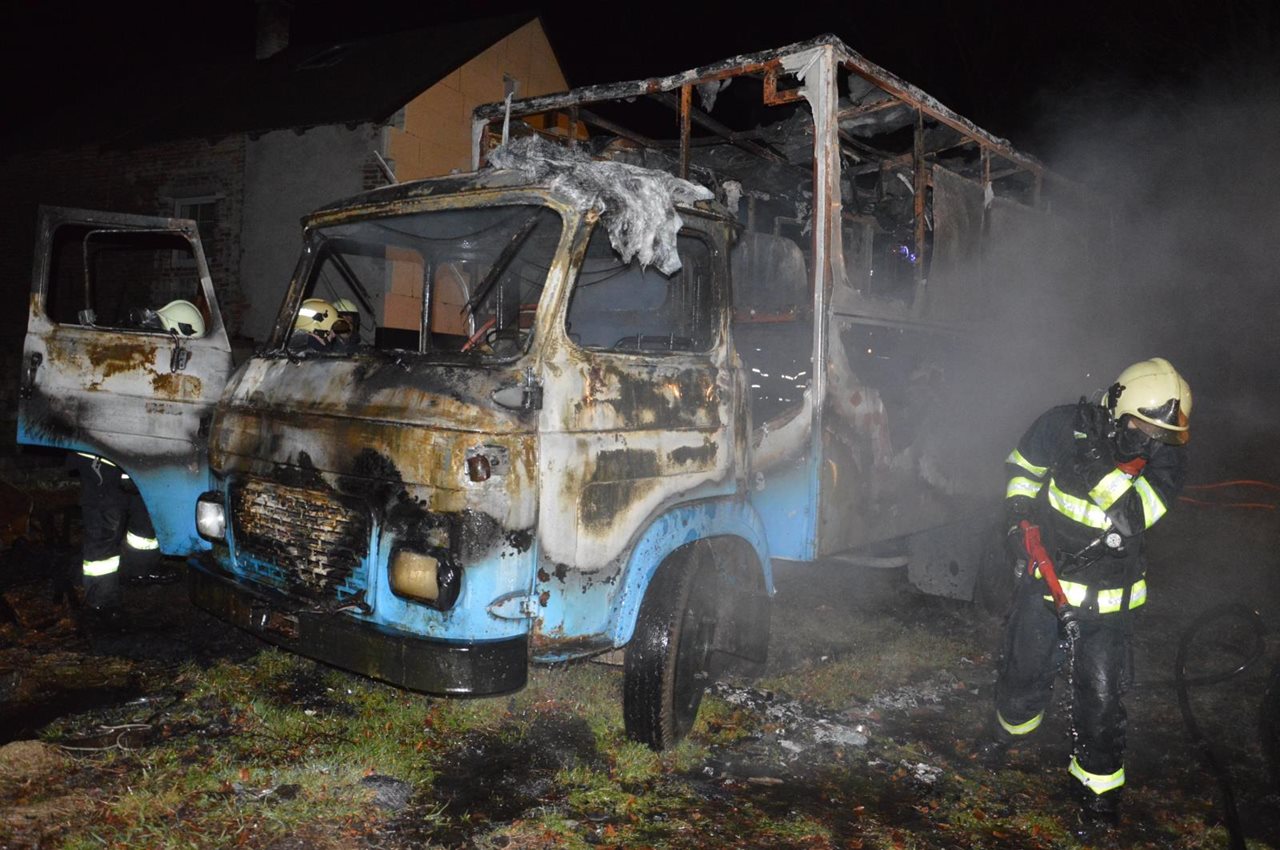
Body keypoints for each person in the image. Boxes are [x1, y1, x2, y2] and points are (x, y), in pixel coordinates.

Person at [984, 357, 1192, 827]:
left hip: (1108, 604)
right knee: (1022, 670)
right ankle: (1005, 735)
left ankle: (1099, 793)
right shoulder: (1062, 426)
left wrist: (1098, 464)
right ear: (1119, 409)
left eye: (1162, 433)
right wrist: (1018, 513)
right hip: (1045, 583)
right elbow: (1023, 466)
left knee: (1100, 699)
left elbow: (1131, 517)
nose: (1151, 440)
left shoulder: (1168, 460)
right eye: (1143, 427)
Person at [74, 300, 204, 624]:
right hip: (103, 456)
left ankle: (139, 571)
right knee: (106, 523)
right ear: (176, 330)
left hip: (139, 457)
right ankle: (101, 600)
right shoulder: (131, 354)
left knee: (148, 514)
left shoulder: (162, 357)